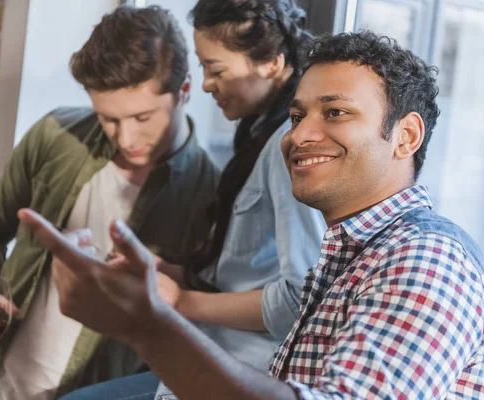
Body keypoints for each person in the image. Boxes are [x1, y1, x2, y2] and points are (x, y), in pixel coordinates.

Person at [21, 30, 484, 399]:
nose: (298, 136)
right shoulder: (350, 257)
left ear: (406, 136)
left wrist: (148, 323)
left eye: (335, 112)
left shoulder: (428, 259)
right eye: (297, 117)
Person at [0, 6, 219, 400]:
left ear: (184, 90)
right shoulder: (58, 134)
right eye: (109, 119)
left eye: (142, 116)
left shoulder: (210, 198)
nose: (126, 137)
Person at [60, 0, 326, 398]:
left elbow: (298, 299)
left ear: (271, 62)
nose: (204, 84)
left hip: (246, 367)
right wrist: (168, 272)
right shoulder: (255, 137)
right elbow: (246, 271)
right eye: (202, 68)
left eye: (215, 70)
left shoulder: (285, 146)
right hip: (217, 351)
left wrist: (185, 301)